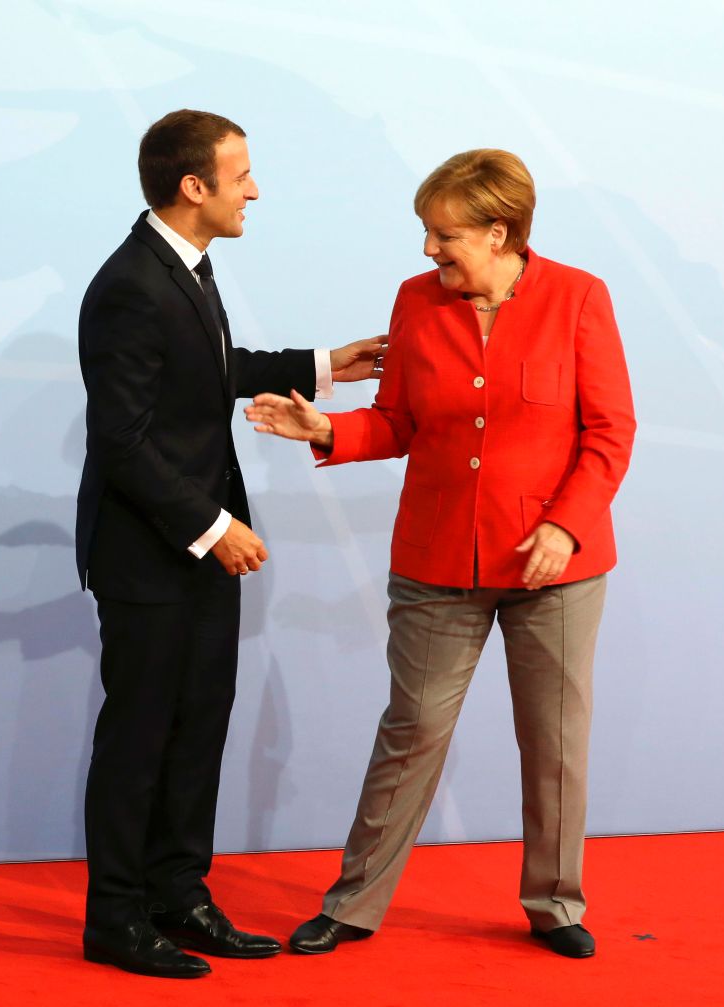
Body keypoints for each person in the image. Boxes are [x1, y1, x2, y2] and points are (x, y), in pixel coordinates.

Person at [245, 148, 636, 960]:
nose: (428, 250)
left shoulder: (580, 297)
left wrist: (564, 523)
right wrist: (330, 429)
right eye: (425, 232)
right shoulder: (416, 303)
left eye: (443, 234)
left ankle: (555, 901)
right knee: (412, 726)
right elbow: (397, 423)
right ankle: (353, 903)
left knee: (555, 737)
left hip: (554, 568)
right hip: (433, 562)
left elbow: (609, 431)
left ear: (499, 233)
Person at [75, 109, 384, 979]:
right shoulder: (130, 284)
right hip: (151, 557)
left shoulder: (185, 270)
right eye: (241, 173)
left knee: (197, 728)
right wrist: (214, 527)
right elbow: (122, 442)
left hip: (196, 555)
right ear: (193, 186)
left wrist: (328, 362)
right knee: (140, 737)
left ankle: (180, 895)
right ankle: (117, 919)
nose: (256, 189)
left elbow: (213, 367)